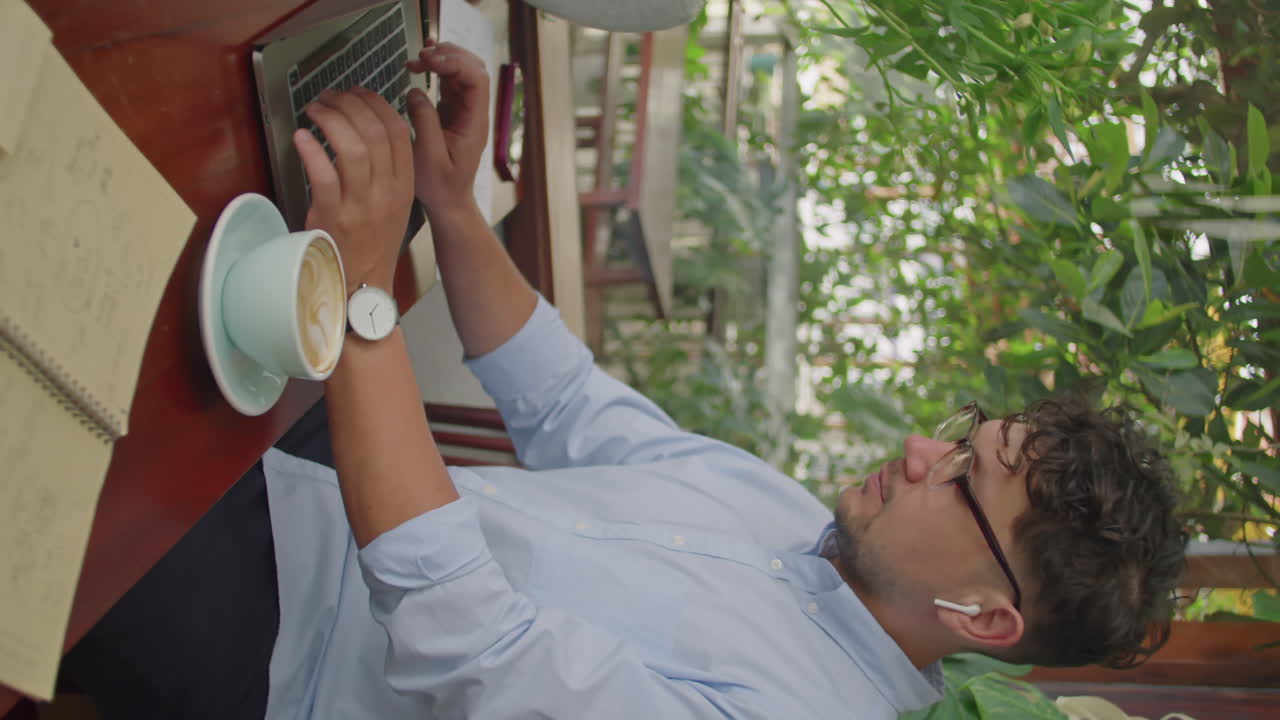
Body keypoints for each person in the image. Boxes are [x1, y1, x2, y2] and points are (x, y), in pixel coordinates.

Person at [63, 41, 1188, 719]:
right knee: (141, 210)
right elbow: (562, 399)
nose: (917, 453)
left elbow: (471, 640)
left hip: (280, 649)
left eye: (961, 480)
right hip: (316, 490)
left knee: (62, 429)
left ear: (986, 616)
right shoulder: (785, 519)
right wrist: (450, 202)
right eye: (962, 434)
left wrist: (362, 303)